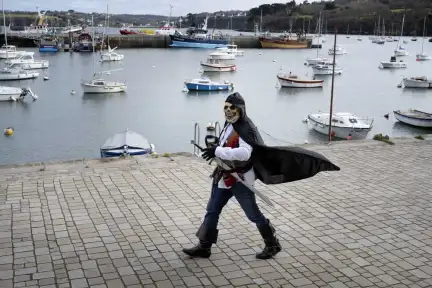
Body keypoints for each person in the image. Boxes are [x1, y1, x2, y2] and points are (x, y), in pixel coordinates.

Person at [182, 92, 340, 260]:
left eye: (232, 108)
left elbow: (245, 153)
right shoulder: (229, 125)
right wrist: (214, 150)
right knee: (212, 210)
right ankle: (204, 246)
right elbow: (226, 146)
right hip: (223, 175)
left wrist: (218, 151)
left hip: (241, 179)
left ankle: (273, 244)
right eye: (226, 108)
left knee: (252, 214)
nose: (228, 111)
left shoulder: (246, 128)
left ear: (241, 110)